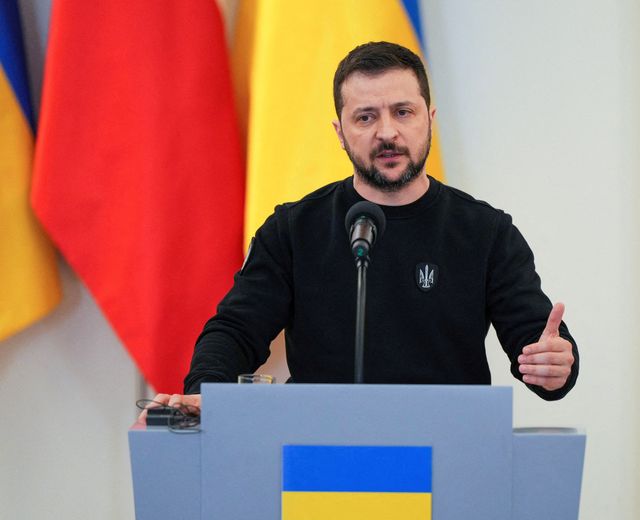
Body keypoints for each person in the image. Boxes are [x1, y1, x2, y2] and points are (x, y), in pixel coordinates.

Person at [142, 41, 578, 418]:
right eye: (366, 117)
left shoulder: (486, 232)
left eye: (402, 112)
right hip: (319, 461)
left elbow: (538, 346)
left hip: (449, 461)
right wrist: (206, 392)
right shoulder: (294, 230)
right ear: (340, 132)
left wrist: (556, 366)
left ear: (429, 117)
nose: (387, 132)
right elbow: (235, 331)